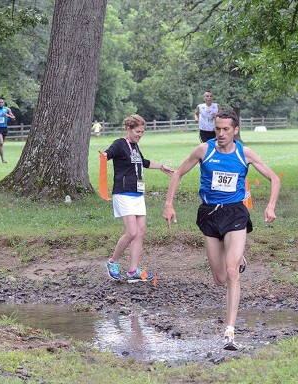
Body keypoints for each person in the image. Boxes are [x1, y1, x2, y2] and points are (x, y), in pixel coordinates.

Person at [163, 109, 280, 350]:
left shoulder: (243, 152)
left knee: (232, 272)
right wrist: (168, 204)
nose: (221, 133)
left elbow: (274, 178)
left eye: (226, 129)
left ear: (235, 130)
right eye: (217, 129)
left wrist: (270, 206)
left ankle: (229, 332)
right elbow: (177, 174)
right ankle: (236, 255)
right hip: (209, 214)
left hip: (235, 213)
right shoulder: (204, 150)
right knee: (220, 278)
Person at [101, 114, 174, 282]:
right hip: (123, 193)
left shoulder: (135, 147)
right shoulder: (120, 144)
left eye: (142, 132)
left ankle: (133, 271)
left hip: (137, 194)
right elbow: (108, 154)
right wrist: (103, 156)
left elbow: (143, 162)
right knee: (132, 232)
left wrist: (162, 167)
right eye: (137, 132)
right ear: (128, 129)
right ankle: (112, 262)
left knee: (140, 232)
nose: (140, 135)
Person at [0, 98, 15, 163]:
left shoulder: (7, 109)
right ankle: (3, 160)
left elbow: (13, 118)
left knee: (1, 143)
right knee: (1, 143)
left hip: (4, 127)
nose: (0, 103)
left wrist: (8, 115)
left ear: (3, 103)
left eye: (2, 102)